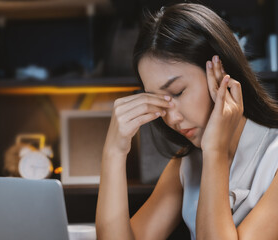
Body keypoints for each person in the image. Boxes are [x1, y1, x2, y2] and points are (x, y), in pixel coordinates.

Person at [95, 3, 278, 240]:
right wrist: (114, 152)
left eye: (178, 92)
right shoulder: (187, 163)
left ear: (222, 74)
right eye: (157, 100)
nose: (171, 118)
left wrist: (215, 151)